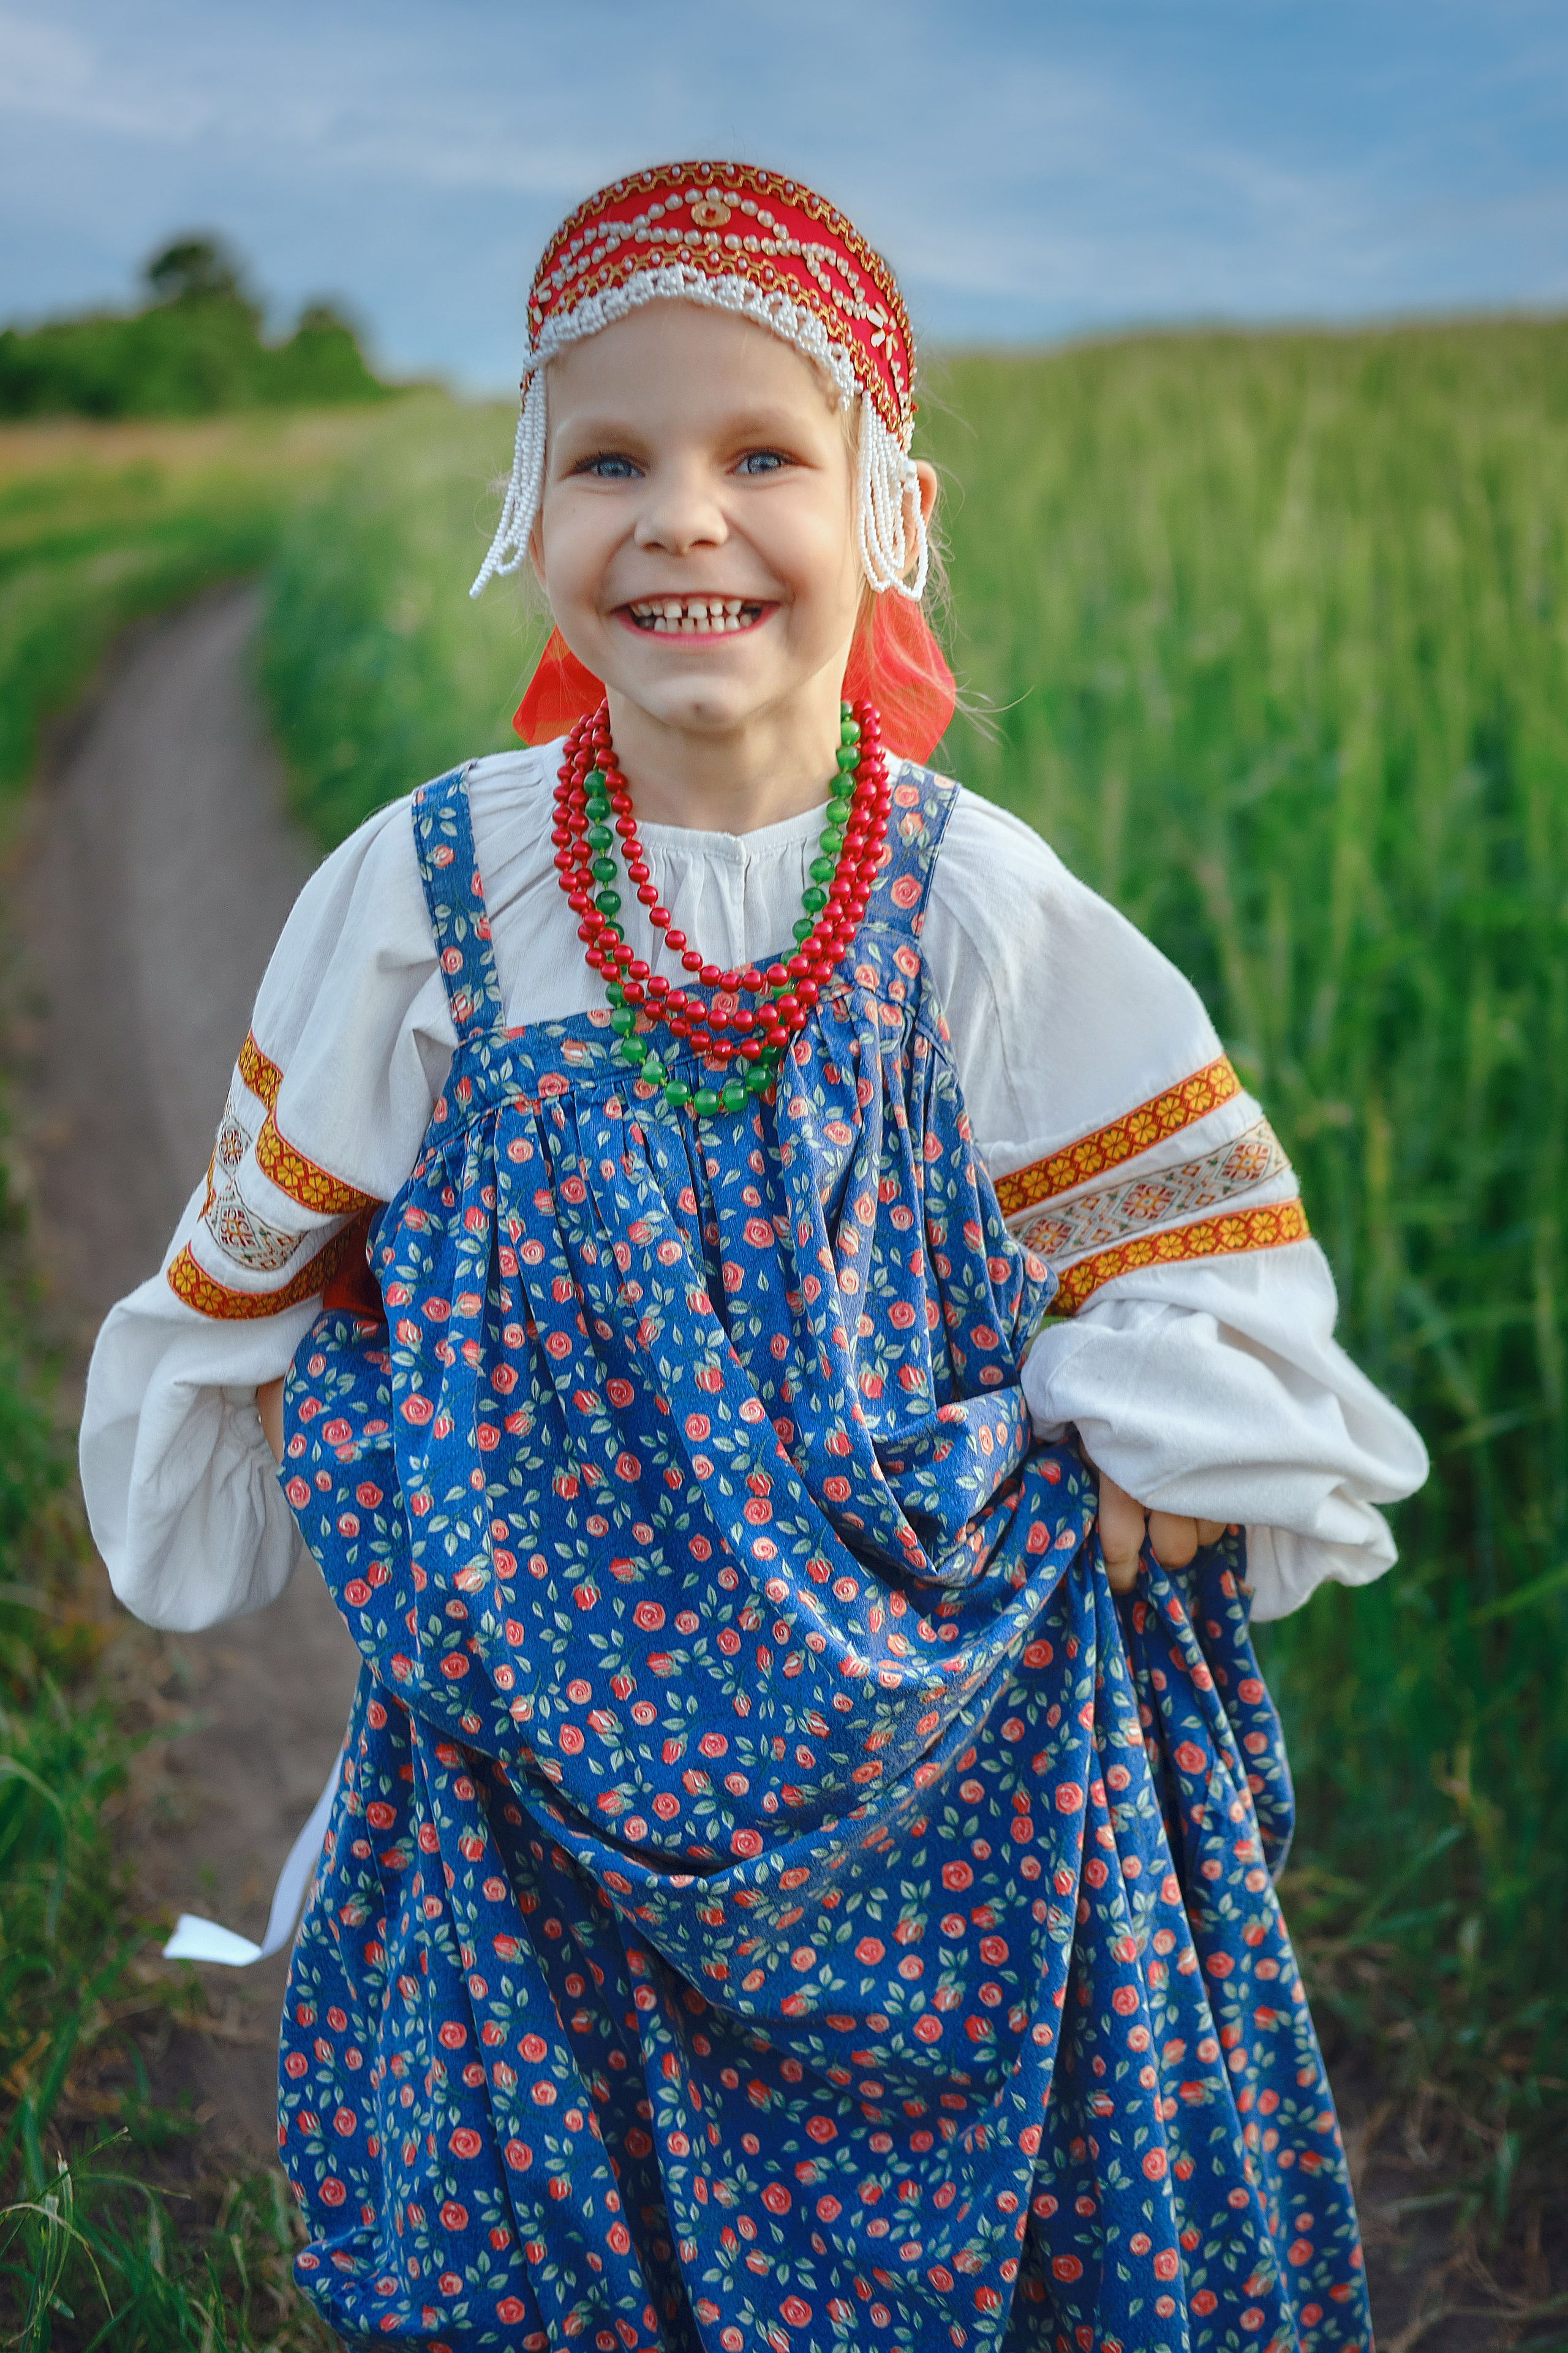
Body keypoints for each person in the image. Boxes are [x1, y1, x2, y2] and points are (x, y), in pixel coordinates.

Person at [81, 161, 1425, 2353]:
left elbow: (1219, 1263)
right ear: (528, 505)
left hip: (947, 1763)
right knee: (555, 2241)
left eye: (760, 457)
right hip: (546, 1772)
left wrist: (1159, 1436)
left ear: (885, 509)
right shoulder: (440, 894)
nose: (682, 520)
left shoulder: (970, 904)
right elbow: (249, 1259)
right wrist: (321, 1415)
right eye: (611, 458)